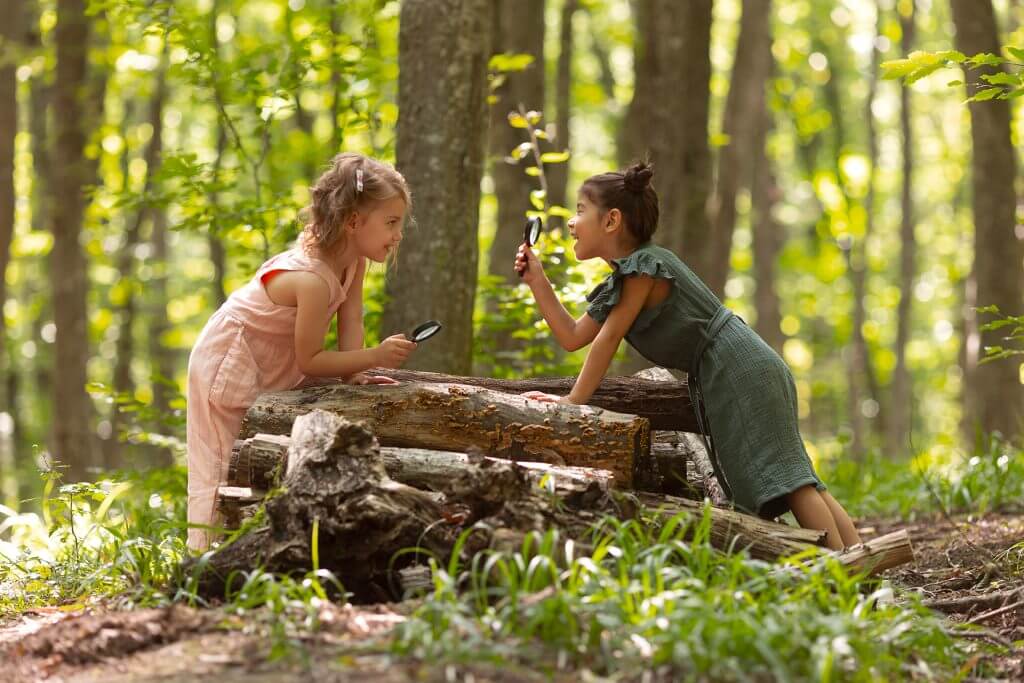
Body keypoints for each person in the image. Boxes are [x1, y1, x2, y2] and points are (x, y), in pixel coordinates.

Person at [514, 161, 861, 550]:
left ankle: (843, 577)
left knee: (790, 481)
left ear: (611, 220)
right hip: (745, 364)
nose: (573, 223)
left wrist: (572, 402)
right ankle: (863, 572)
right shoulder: (626, 279)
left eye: (580, 211)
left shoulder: (644, 268)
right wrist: (537, 281)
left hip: (739, 368)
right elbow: (573, 336)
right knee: (798, 476)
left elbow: (606, 340)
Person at [186, 152, 417, 550]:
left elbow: (351, 320)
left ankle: (253, 553)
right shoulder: (310, 279)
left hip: (269, 361)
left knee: (254, 457)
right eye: (391, 223)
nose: (397, 235)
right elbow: (311, 359)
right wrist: (375, 356)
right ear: (354, 222)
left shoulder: (352, 262)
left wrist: (354, 370)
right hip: (228, 358)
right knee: (218, 464)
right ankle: (201, 560)